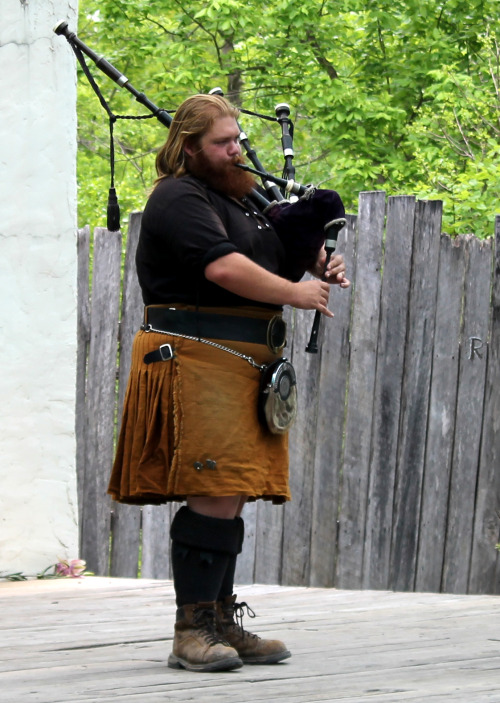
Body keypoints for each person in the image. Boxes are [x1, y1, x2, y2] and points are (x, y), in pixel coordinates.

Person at [108, 94, 350, 673]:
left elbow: (264, 256)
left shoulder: (240, 202)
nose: (235, 149)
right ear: (189, 147)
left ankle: (219, 619)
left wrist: (315, 261)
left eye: (237, 139)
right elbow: (221, 266)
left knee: (232, 490)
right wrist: (295, 294)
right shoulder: (178, 196)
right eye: (222, 142)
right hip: (195, 353)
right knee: (214, 488)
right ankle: (191, 630)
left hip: (244, 360)